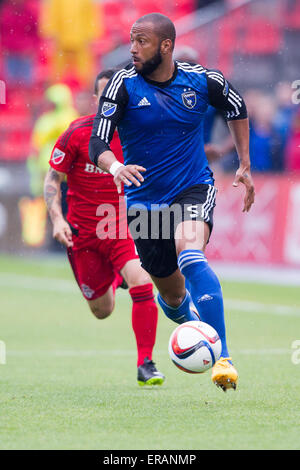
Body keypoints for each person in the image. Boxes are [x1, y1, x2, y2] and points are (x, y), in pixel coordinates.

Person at [89, 13, 255, 392]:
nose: (132, 48)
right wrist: (114, 165)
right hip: (145, 206)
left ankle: (223, 358)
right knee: (173, 294)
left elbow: (236, 106)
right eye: (131, 40)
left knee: (190, 253)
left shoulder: (202, 80)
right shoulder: (122, 85)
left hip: (192, 188)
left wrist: (245, 164)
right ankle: (192, 321)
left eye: (141, 41)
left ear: (166, 46)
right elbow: (98, 141)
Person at [43, 69, 165, 387]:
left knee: (141, 282)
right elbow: (52, 178)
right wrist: (57, 219)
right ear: (97, 100)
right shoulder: (76, 133)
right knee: (102, 310)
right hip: (82, 234)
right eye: (105, 96)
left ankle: (146, 363)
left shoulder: (137, 134)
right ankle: (113, 279)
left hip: (118, 227)